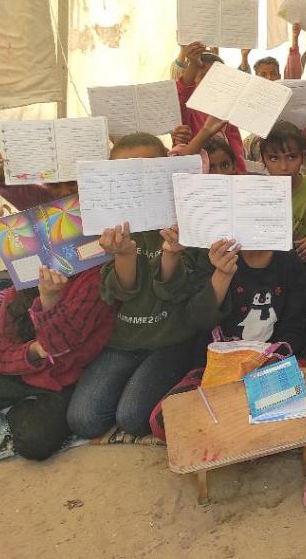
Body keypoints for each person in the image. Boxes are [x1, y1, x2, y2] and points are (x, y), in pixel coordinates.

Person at [66, 133, 199, 439]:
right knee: (83, 420)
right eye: (124, 174)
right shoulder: (106, 225)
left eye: (147, 171)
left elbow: (177, 289)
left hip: (172, 339)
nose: (137, 182)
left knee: (133, 417)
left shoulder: (181, 222)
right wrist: (124, 255)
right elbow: (117, 292)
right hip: (123, 341)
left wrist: (171, 254)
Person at [0, 267, 114, 458]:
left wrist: (48, 300)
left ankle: (18, 406)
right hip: (21, 369)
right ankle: (18, 401)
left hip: (63, 382)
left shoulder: (93, 280)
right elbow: (0, 351)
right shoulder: (22, 284)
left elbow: (59, 346)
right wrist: (32, 351)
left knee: (36, 440)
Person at [184, 237, 306, 359]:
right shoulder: (214, 255)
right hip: (218, 361)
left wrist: (271, 361)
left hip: (273, 361)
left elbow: (295, 328)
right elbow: (200, 320)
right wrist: (222, 273)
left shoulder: (288, 261)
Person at [260, 121, 306, 302]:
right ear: (263, 160)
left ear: (303, 156)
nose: (283, 167)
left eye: (291, 157)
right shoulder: (256, 193)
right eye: (274, 158)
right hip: (269, 271)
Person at [173, 42, 247, 173]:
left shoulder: (226, 114)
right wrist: (194, 64)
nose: (211, 82)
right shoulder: (187, 110)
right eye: (203, 76)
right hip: (195, 177)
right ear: (193, 81)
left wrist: (240, 177)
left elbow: (237, 153)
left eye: (218, 78)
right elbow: (182, 92)